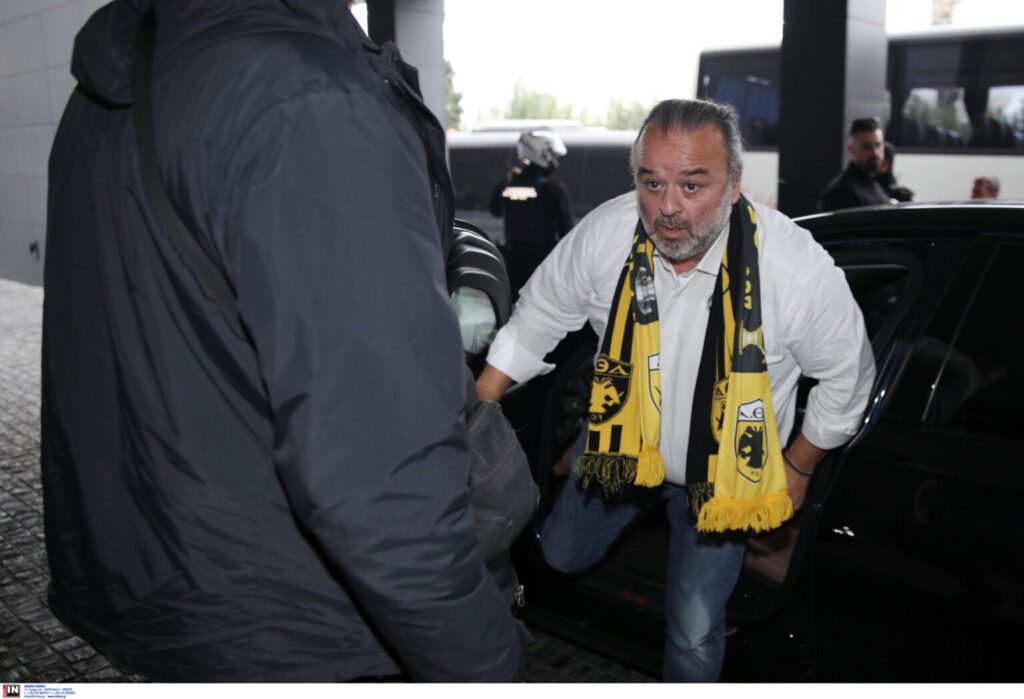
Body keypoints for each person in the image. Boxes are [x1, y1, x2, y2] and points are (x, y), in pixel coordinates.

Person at [41, 0, 523, 682]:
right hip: (309, 627)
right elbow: (384, 488)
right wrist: (490, 668)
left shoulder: (118, 82)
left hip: (174, 589)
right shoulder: (309, 101)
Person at [476, 99, 876, 682]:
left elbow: (849, 376)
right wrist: (477, 413)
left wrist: (799, 465)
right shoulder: (607, 234)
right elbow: (538, 316)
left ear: (733, 184)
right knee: (558, 555)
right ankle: (589, 449)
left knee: (692, 630)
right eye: (652, 183)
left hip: (723, 474)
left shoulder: (794, 271)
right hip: (622, 446)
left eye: (692, 185)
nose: (667, 207)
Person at [489, 131, 574, 295]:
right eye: (553, 156)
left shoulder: (508, 184)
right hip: (542, 264)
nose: (555, 161)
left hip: (513, 262)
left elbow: (495, 210)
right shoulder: (552, 189)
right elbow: (567, 232)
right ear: (541, 154)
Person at [817, 117, 893, 212]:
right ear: (851, 149)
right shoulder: (840, 192)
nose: (875, 153)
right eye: (866, 146)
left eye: (878, 145)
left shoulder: (875, 183)